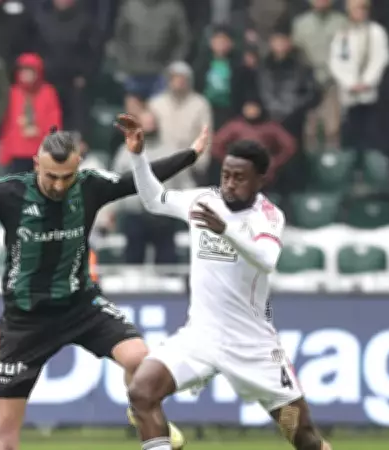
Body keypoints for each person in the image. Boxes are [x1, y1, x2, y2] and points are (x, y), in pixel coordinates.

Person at [0, 116, 211, 450]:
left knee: (140, 359)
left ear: (78, 165)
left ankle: (140, 413)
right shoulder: (10, 192)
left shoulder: (90, 185)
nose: (60, 186)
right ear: (36, 164)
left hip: (81, 306)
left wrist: (190, 155)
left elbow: (134, 181)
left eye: (67, 177)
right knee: (5, 432)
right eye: (52, 176)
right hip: (26, 320)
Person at [124, 132, 333, 450]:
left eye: (239, 177)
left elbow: (267, 259)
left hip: (252, 347)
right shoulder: (202, 201)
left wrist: (226, 230)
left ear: (260, 180)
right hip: (200, 339)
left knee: (304, 438)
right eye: (226, 175)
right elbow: (154, 200)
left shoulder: (268, 215)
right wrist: (138, 157)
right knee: (141, 393)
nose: (230, 183)